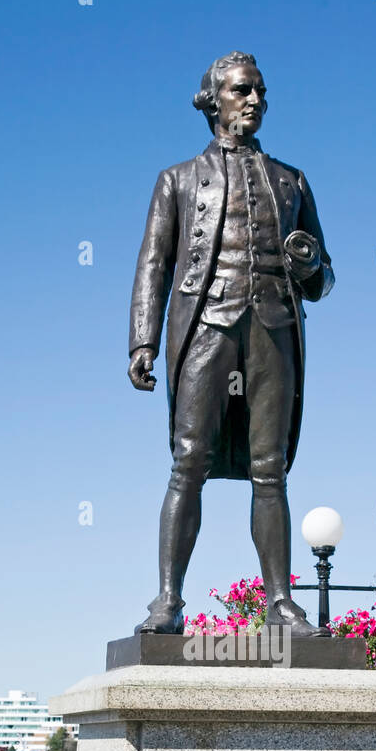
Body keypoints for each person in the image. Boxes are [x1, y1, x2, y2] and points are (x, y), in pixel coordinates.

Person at [128, 51, 334, 636]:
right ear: (212, 100)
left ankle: (280, 603)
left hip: (273, 328)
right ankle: (168, 601)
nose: (255, 101)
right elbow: (153, 265)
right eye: (243, 90)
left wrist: (310, 262)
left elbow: (324, 280)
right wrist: (141, 340)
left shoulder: (292, 181)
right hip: (207, 327)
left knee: (271, 471)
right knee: (187, 461)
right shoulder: (177, 180)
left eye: (261, 92)